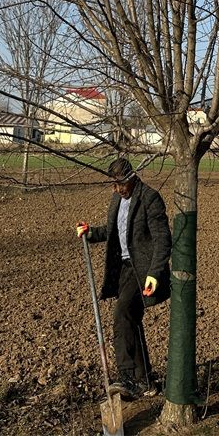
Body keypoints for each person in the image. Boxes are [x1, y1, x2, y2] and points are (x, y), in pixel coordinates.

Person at [77, 157, 171, 400]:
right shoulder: (118, 199)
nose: (115, 189)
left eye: (119, 183)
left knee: (122, 315)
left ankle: (128, 377)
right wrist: (90, 232)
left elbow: (162, 239)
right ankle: (145, 382)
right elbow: (113, 231)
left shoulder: (149, 198)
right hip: (124, 269)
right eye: (113, 184)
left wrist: (155, 273)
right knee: (131, 319)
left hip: (144, 271)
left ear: (131, 178)